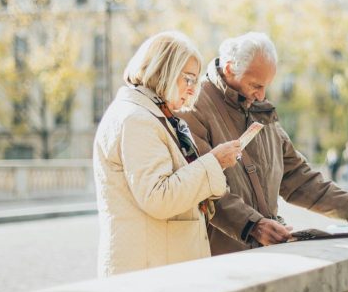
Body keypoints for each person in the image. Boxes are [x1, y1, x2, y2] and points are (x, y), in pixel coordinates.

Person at [179, 32, 348, 255]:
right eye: (255, 85)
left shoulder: (260, 108)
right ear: (229, 69)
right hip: (220, 259)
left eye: (266, 86)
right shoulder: (193, 105)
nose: (262, 95)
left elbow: (298, 178)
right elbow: (203, 188)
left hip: (265, 253)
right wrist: (254, 226)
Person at [93, 31, 242, 276]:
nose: (193, 90)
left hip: (157, 265)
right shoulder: (137, 120)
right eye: (188, 79)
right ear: (164, 70)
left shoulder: (152, 115)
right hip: (149, 273)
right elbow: (159, 197)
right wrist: (214, 162)